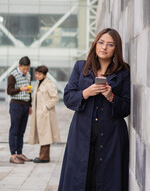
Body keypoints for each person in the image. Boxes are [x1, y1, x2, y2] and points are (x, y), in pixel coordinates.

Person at [58, 28, 130, 191]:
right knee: (79, 178)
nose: (104, 47)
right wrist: (85, 93)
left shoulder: (123, 72)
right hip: (81, 133)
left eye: (110, 44)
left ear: (116, 49)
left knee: (107, 180)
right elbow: (68, 98)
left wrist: (111, 96)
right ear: (95, 44)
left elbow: (126, 107)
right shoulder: (81, 67)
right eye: (101, 42)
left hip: (112, 136)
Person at [28, 65, 60, 163]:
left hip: (46, 114)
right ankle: (42, 155)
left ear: (44, 75)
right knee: (42, 134)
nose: (37, 75)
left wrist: (45, 107)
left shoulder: (49, 84)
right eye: (36, 73)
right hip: (39, 114)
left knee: (46, 135)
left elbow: (55, 98)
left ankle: (44, 157)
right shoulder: (39, 84)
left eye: (39, 74)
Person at [7, 56, 33, 164]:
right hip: (16, 105)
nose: (25, 71)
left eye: (27, 68)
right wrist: (20, 89)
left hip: (25, 105)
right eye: (23, 69)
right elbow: (9, 91)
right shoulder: (12, 75)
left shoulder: (28, 75)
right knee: (14, 130)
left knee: (21, 130)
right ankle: (13, 155)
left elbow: (29, 91)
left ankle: (20, 153)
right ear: (19, 66)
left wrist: (30, 105)